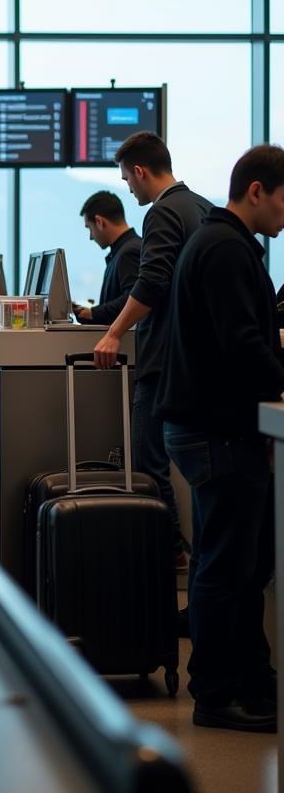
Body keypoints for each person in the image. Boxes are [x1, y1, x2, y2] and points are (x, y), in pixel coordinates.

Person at [155, 144, 284, 733]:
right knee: (229, 569)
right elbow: (243, 345)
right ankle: (217, 692)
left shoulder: (215, 242)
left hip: (203, 428)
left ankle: (250, 679)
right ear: (256, 190)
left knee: (233, 563)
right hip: (219, 430)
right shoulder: (228, 249)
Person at [94, 132, 211, 568]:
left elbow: (153, 281)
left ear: (140, 171)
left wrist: (114, 332)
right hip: (196, 358)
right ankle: (185, 555)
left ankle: (171, 551)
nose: (129, 188)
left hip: (163, 358)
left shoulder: (162, 212)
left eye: (127, 179)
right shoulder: (201, 206)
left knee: (148, 460)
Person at [72, 190, 141, 325]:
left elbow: (133, 299)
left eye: (89, 228)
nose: (91, 237)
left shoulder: (128, 252)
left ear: (100, 221)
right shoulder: (124, 250)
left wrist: (92, 313)